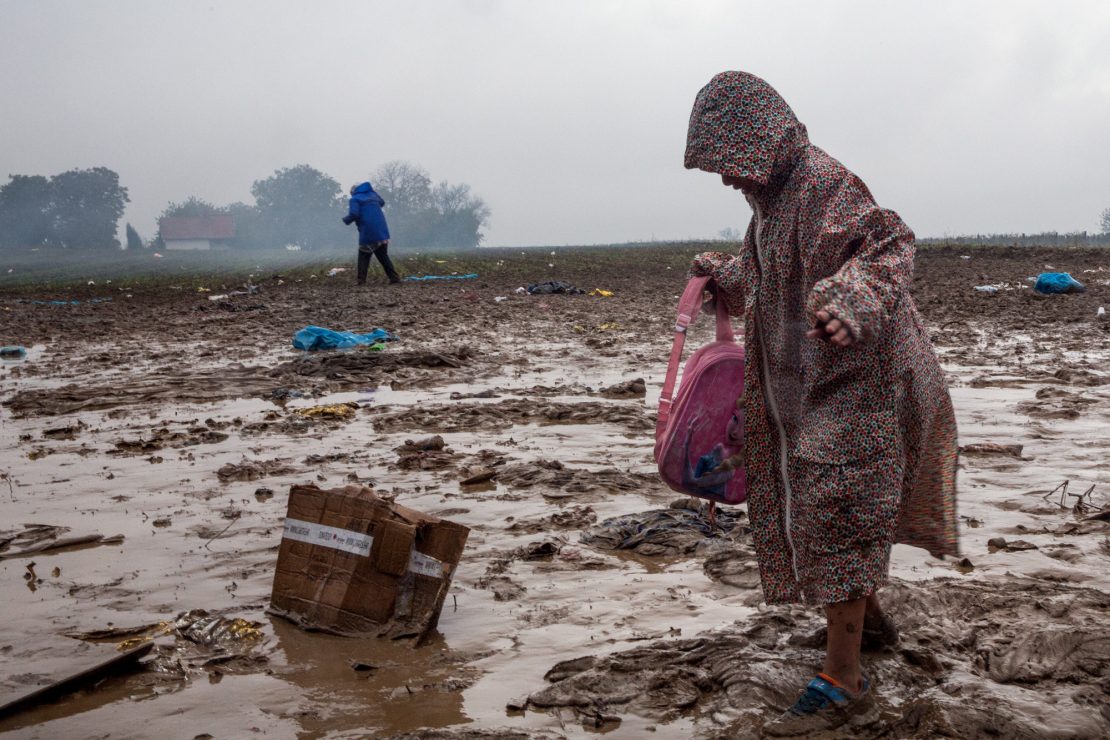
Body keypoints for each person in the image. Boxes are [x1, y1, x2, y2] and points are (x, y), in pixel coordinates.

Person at [684, 71, 958, 735]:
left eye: (727, 162)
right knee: (827, 511)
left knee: (838, 508)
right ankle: (865, 624)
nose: (725, 179)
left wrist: (850, 301)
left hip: (868, 380)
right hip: (824, 385)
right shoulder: (772, 204)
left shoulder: (820, 182)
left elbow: (887, 241)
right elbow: (771, 269)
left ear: (759, 138)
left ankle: (842, 679)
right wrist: (722, 273)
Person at [343, 182, 400, 285]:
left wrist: (346, 220)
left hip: (368, 231)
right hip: (382, 230)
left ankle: (361, 281)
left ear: (352, 192)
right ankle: (394, 278)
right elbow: (382, 202)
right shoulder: (373, 195)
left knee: (363, 256)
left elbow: (354, 213)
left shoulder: (354, 199)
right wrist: (372, 194)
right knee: (383, 256)